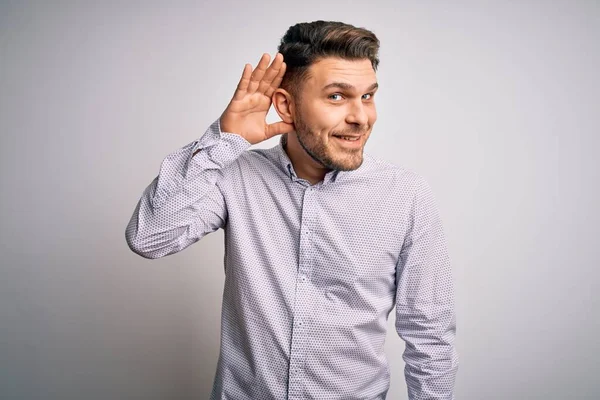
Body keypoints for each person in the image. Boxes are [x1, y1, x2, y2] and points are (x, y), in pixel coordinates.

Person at [125, 20, 458, 400]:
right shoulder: (236, 175)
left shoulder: (406, 196)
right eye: (337, 97)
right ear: (285, 104)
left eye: (367, 96)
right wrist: (225, 139)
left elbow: (430, 336)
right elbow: (149, 237)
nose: (361, 118)